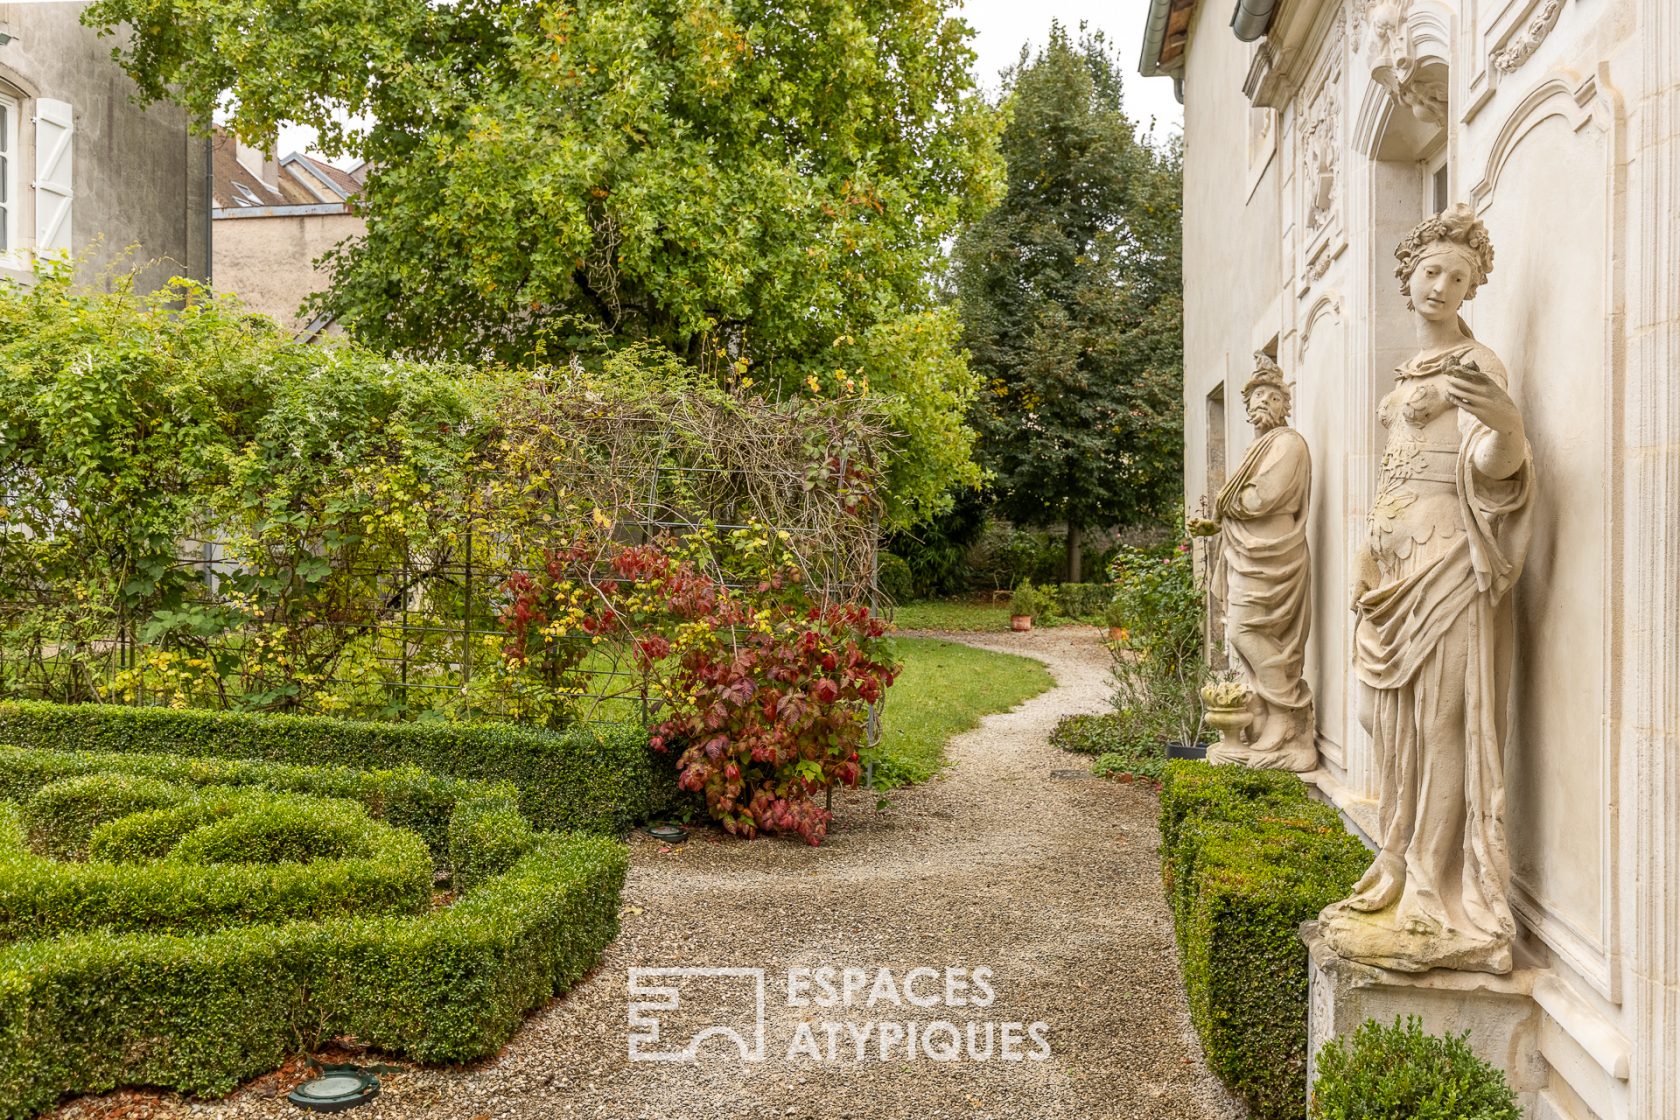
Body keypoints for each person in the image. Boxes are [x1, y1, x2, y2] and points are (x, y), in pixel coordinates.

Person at [1318, 204, 1533, 974]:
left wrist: (1506, 428)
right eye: (1432, 271)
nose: (1442, 285)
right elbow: (1389, 476)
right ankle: (1398, 858)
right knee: (1385, 723)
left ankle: (1431, 888)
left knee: (1441, 728)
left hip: (1445, 563)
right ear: (1408, 277)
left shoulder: (1478, 369)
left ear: (1472, 290)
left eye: (1459, 277)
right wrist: (1365, 557)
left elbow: (1491, 463)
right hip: (1393, 572)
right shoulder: (1410, 370)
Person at [1187, 354, 1316, 770]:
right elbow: (1241, 502)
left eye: (1268, 396)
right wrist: (1215, 522)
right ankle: (1261, 712)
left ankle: (1285, 714)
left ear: (1283, 404)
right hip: (1248, 552)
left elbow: (1262, 497)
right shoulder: (1257, 447)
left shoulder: (1288, 443)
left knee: (1249, 631)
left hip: (1274, 555)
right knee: (1247, 631)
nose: (1259, 403)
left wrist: (1228, 504)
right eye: (1254, 397)